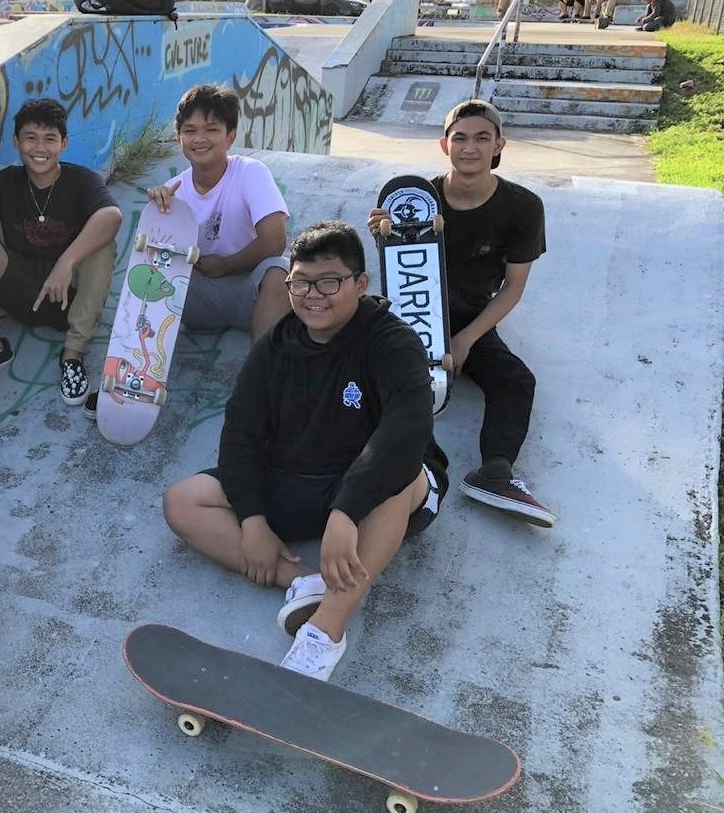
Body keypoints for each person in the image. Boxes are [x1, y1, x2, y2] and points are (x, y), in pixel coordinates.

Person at [162, 221, 448, 681]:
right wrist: (253, 518)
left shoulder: (392, 342)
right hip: (297, 479)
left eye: (330, 282)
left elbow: (405, 433)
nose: (313, 295)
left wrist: (347, 512)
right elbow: (241, 433)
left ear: (360, 284)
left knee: (407, 475)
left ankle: (325, 630)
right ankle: (300, 581)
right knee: (183, 501)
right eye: (301, 283)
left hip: (372, 491)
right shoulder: (276, 345)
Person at [367, 100, 555, 529]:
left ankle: (496, 472)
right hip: (412, 313)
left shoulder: (523, 206)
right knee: (389, 382)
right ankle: (405, 469)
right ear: (443, 144)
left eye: (482, 138)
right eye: (460, 138)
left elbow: (514, 287)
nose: (469, 148)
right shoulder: (415, 200)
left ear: (499, 144)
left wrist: (467, 339)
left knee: (516, 381)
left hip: (472, 314)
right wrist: (382, 237)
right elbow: (400, 276)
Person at [0, 99, 120, 407]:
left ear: (64, 143)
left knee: (103, 247)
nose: (39, 147)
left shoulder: (81, 180)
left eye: (50, 139)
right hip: (17, 292)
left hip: (67, 301)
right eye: (31, 138)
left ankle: (73, 356)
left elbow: (111, 217)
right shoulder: (4, 183)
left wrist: (66, 262)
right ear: (17, 142)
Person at [142, 85, 290, 350]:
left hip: (249, 293)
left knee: (280, 269)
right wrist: (156, 215)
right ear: (178, 137)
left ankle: (263, 375)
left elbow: (274, 240)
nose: (199, 139)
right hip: (198, 300)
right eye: (190, 131)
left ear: (230, 136)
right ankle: (139, 377)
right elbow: (157, 262)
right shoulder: (172, 191)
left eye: (211, 129)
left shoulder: (250, 172)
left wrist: (226, 265)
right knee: (149, 272)